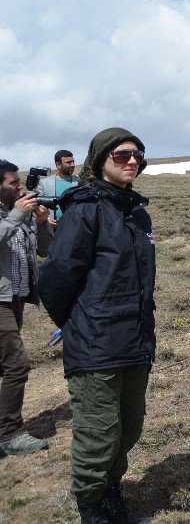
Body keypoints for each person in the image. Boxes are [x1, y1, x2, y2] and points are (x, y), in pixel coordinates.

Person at [36, 128, 154, 523]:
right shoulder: (85, 210)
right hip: (96, 345)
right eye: (122, 155)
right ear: (100, 161)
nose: (132, 161)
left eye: (138, 154)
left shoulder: (137, 213)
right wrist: (78, 325)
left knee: (128, 428)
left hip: (135, 340)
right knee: (98, 436)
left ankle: (112, 498)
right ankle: (94, 511)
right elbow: (54, 280)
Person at [0, 159, 52, 458]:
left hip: (15, 298)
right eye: (12, 183)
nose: (20, 187)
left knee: (4, 364)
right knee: (16, 365)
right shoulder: (14, 214)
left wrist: (42, 223)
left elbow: (44, 250)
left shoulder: (20, 214)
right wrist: (18, 216)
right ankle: (10, 434)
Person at [37, 149, 79, 225]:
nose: (73, 165)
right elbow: (38, 204)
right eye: (68, 162)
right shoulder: (44, 183)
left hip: (75, 226)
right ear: (58, 165)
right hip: (54, 229)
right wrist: (46, 219)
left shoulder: (79, 181)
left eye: (73, 161)